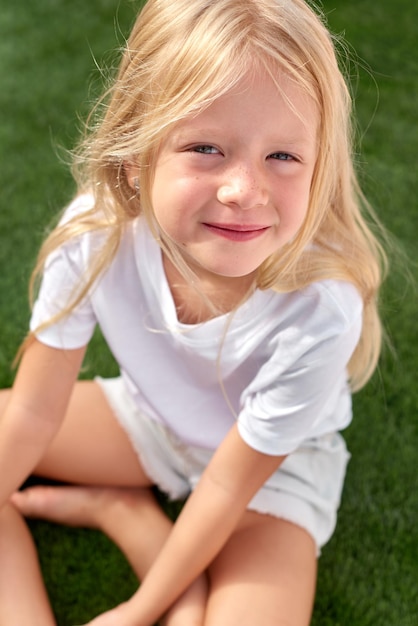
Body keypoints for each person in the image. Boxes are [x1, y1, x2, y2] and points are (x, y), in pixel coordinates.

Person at [0, 0, 388, 624]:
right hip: (150, 423)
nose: (245, 190)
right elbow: (35, 410)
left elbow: (230, 485)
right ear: (135, 154)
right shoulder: (95, 236)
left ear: (320, 168)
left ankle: (125, 514)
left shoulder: (321, 308)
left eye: (282, 157)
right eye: (206, 147)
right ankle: (123, 520)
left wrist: (138, 610)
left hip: (274, 479)